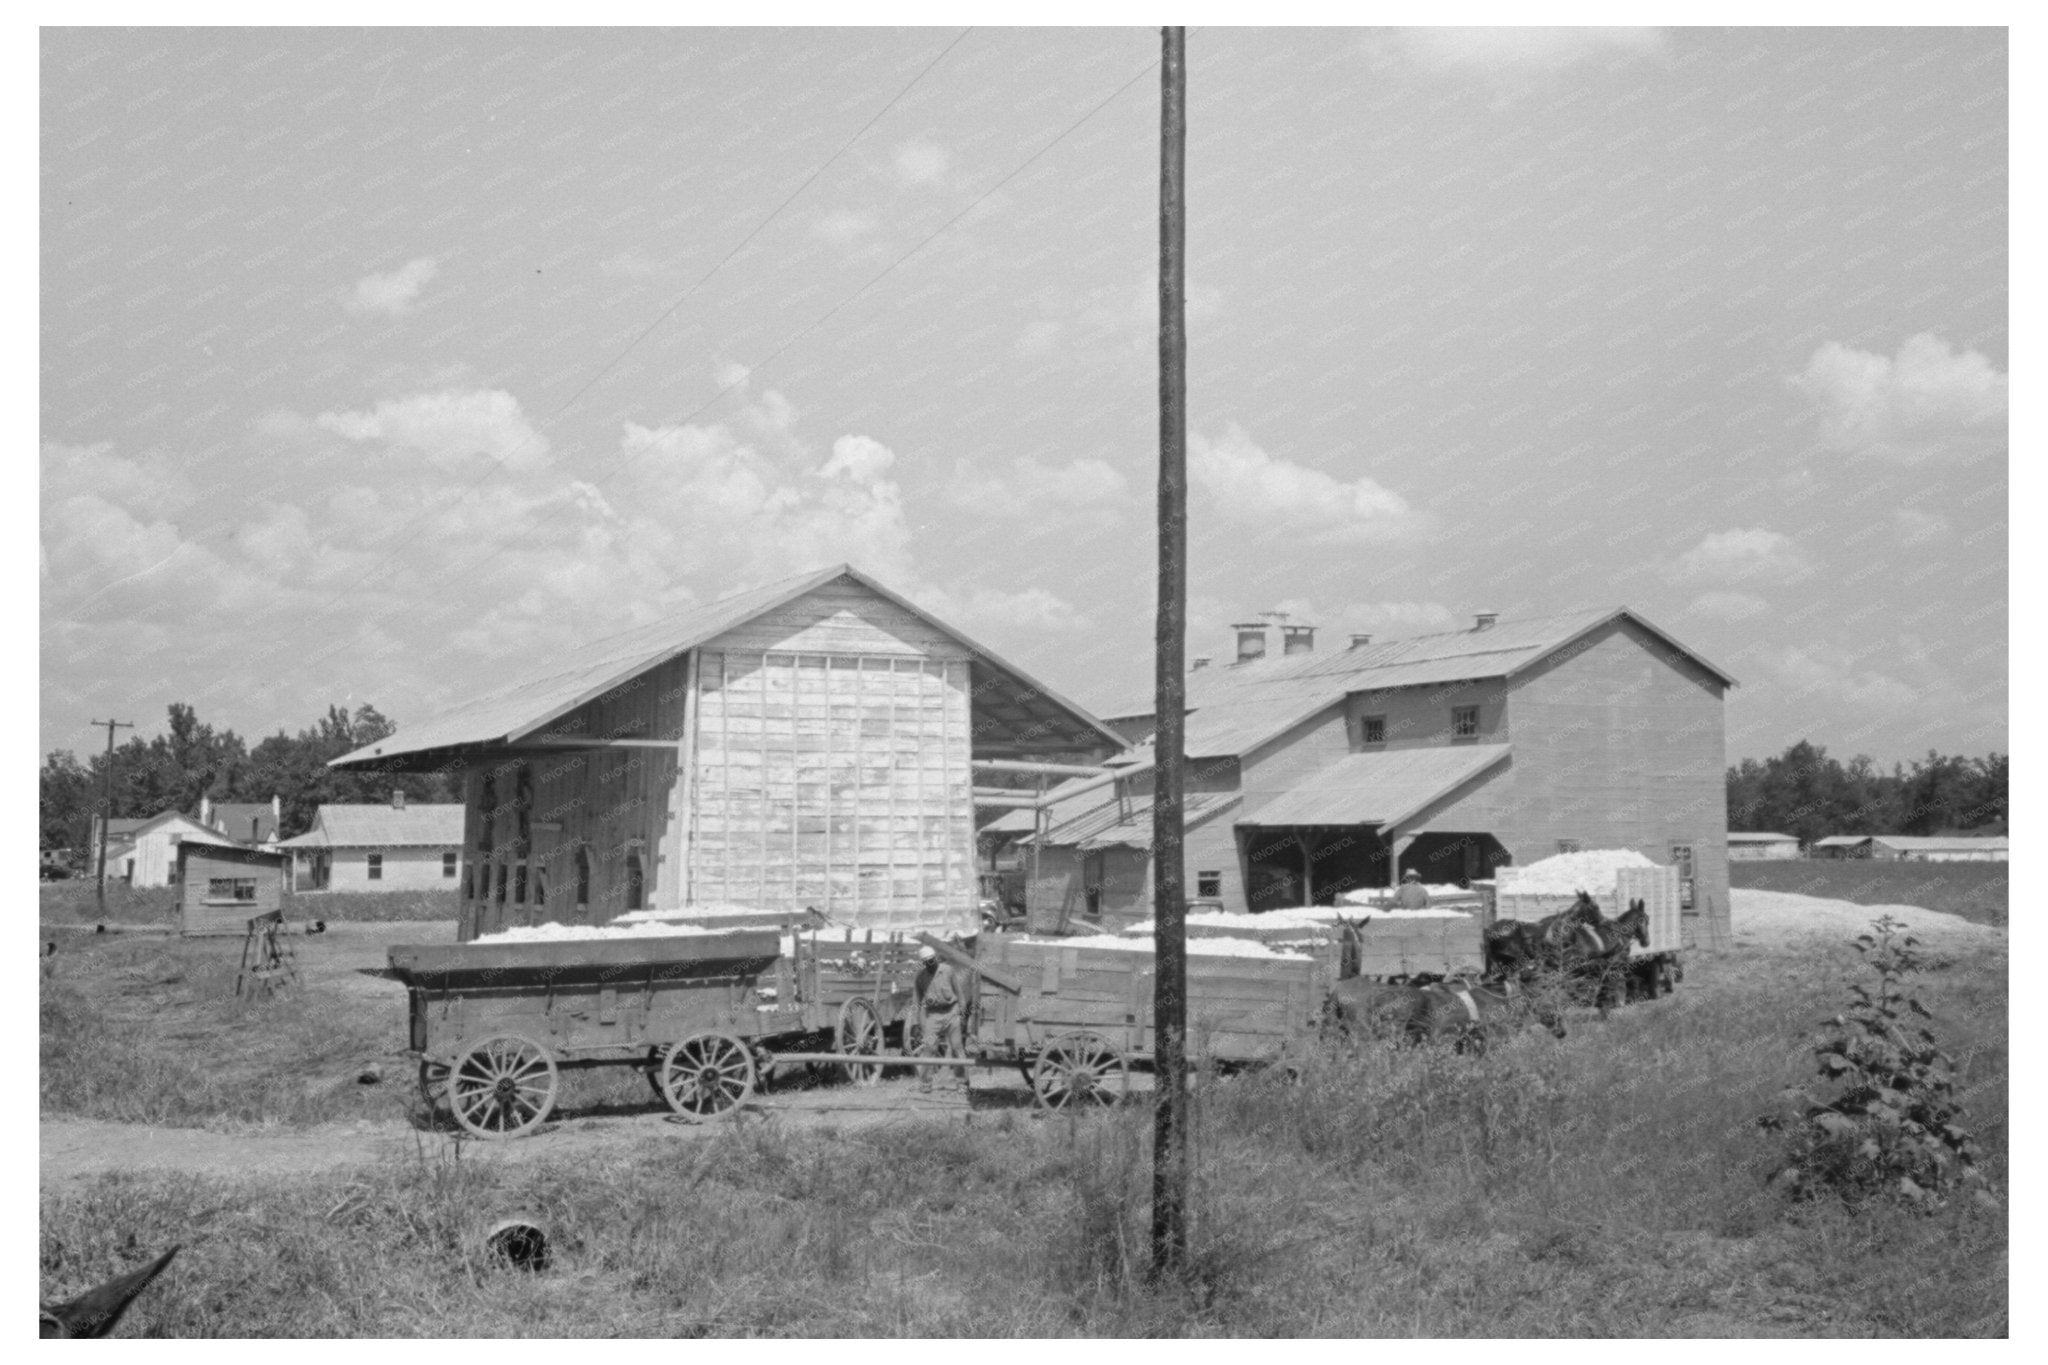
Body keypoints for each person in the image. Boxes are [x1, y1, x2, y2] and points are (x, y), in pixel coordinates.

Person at [912, 944, 969, 1094]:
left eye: (932, 960)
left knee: (957, 1048)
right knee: (929, 1048)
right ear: (923, 963)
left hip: (951, 1012)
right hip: (933, 1015)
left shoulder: (948, 970)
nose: (930, 963)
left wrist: (961, 1014)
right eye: (926, 961)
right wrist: (920, 1023)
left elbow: (959, 992)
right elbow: (918, 1002)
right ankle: (926, 1083)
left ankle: (963, 1083)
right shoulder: (921, 978)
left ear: (936, 958)